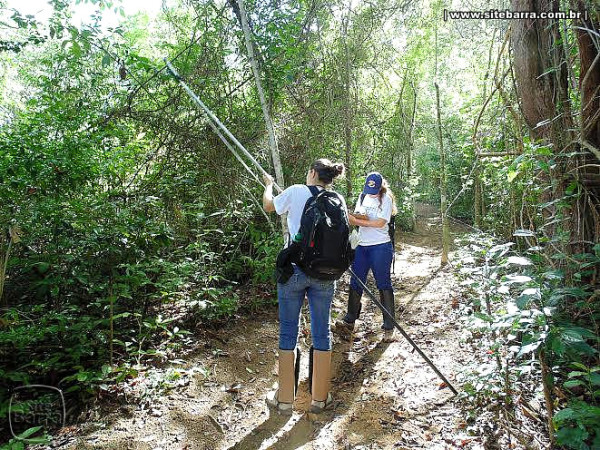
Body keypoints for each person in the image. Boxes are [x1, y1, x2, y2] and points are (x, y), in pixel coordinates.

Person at [262, 159, 347, 414]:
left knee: (289, 329)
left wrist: (268, 186)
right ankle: (319, 399)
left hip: (295, 271)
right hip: (325, 273)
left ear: (312, 173)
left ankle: (285, 400)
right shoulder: (338, 200)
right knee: (322, 330)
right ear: (329, 178)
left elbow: (269, 206)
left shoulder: (296, 191)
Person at [335, 172, 398, 342]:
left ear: (381, 187)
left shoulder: (385, 199)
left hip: (380, 246)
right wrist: (354, 217)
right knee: (356, 281)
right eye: (369, 189)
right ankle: (350, 320)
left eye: (374, 190)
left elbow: (380, 222)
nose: (372, 193)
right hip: (362, 246)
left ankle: (389, 325)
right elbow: (359, 213)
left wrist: (358, 222)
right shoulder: (363, 196)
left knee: (383, 283)